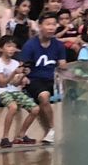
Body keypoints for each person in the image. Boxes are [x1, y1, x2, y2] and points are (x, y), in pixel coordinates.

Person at [17, 13, 68, 144]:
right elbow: (23, 66)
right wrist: (23, 75)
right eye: (48, 24)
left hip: (53, 80)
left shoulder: (58, 45)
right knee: (44, 96)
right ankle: (52, 129)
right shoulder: (30, 45)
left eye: (53, 24)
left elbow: (62, 64)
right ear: (40, 26)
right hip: (35, 80)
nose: (51, 28)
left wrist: (63, 66)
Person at [0, 36, 40, 148]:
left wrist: (23, 74)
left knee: (35, 109)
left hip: (13, 90)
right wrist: (14, 73)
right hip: (0, 91)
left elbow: (15, 84)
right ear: (1, 49)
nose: (12, 49)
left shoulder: (15, 63)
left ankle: (21, 135)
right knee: (13, 107)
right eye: (8, 46)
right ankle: (4, 138)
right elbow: (2, 84)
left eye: (14, 46)